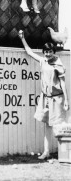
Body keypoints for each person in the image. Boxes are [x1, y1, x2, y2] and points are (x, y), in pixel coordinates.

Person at [18, 30, 69, 159]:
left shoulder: (58, 64)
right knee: (46, 124)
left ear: (53, 52)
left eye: (50, 52)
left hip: (57, 98)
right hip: (45, 98)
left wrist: (66, 100)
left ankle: (65, 153)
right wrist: (22, 38)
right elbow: (29, 52)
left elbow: (63, 83)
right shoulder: (43, 61)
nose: (47, 54)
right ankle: (46, 152)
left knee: (59, 125)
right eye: (46, 52)